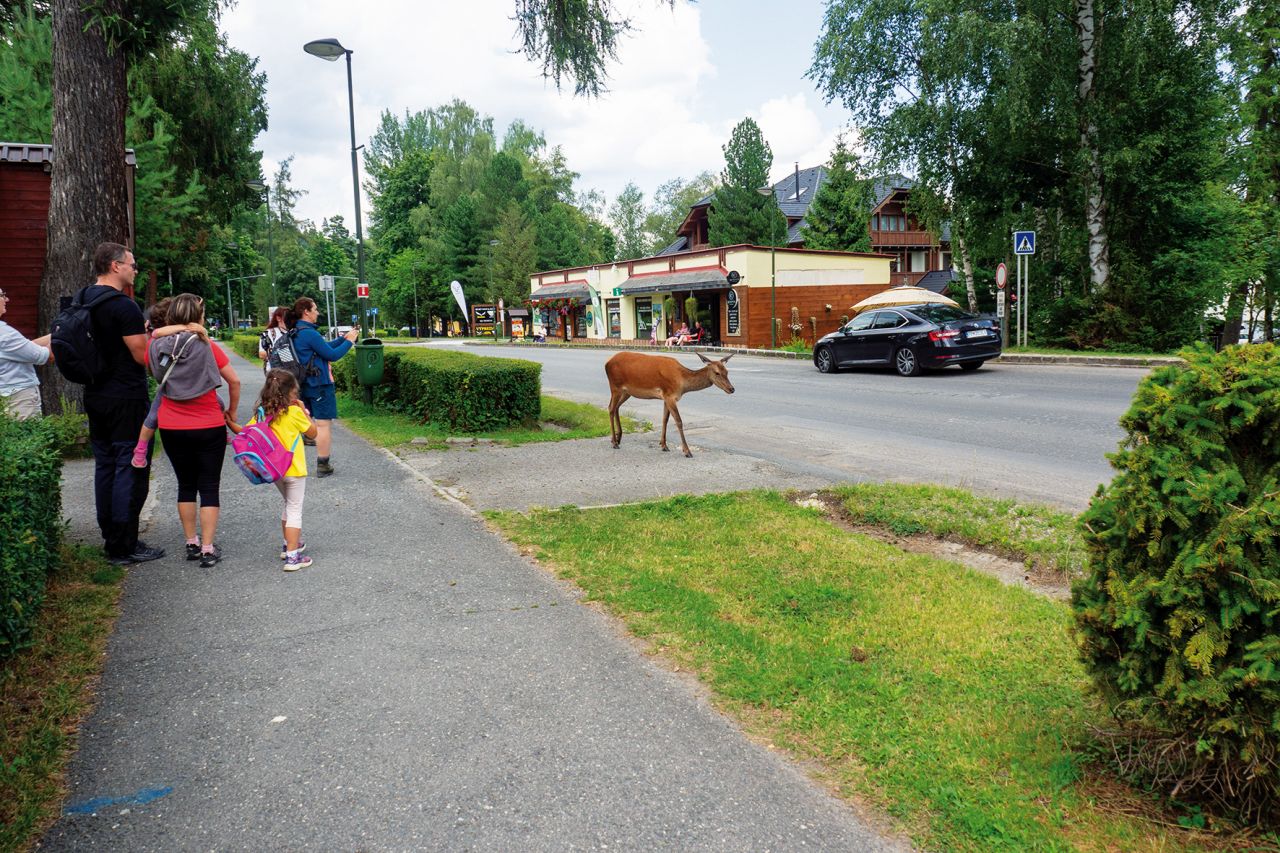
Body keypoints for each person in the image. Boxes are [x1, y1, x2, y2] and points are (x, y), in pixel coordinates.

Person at [78, 243, 164, 565]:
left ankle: (109, 535)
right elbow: (142, 356)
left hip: (94, 393)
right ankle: (123, 544)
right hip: (125, 396)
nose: (135, 269)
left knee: (105, 465)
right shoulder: (124, 307)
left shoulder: (83, 298)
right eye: (131, 264)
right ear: (115, 266)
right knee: (131, 464)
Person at [152, 293, 240, 567]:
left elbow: (154, 337)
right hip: (208, 424)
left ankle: (190, 542)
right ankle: (207, 548)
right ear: (198, 318)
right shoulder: (206, 345)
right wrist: (232, 412)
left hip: (171, 425)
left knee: (186, 485)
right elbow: (234, 381)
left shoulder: (155, 346)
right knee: (209, 486)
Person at [229, 369, 318, 571]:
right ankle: (293, 557)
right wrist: (304, 411)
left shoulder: (262, 413)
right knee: (295, 509)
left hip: (274, 469)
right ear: (292, 391)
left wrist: (229, 422)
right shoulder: (294, 412)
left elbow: (245, 432)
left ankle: (289, 545)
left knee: (288, 505)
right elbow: (313, 433)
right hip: (294, 469)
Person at [130, 298, 210, 468]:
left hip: (171, 383)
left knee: (152, 416)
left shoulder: (165, 337)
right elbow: (156, 333)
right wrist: (189, 328)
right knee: (152, 416)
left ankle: (140, 448)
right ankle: (140, 449)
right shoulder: (171, 334)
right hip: (171, 386)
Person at [287, 297, 358, 478]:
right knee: (323, 424)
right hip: (319, 384)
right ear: (306, 312)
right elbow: (331, 355)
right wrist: (349, 342)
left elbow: (323, 348)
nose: (318, 312)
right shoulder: (310, 333)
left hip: (302, 384)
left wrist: (343, 339)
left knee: (304, 423)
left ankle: (292, 463)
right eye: (315, 309)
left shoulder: (296, 331)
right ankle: (323, 464)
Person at [0, 288, 54, 419]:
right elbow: (47, 357)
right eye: (2, 295)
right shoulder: (5, 334)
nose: (7, 299)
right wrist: (70, 330)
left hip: (5, 394)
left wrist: (57, 333)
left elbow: (26, 348)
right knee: (26, 437)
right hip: (18, 400)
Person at [257, 307, 288, 373]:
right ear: (278, 318)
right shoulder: (268, 333)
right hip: (274, 372)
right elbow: (261, 354)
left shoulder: (293, 332)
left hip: (292, 372)